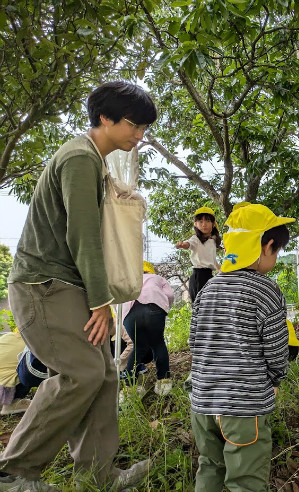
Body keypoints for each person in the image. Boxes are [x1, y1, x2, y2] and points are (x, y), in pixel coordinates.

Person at [0, 81, 156, 491]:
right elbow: (82, 236)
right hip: (43, 286)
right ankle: (14, 470)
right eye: (132, 124)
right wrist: (101, 302)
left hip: (64, 285)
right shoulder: (78, 158)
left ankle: (99, 476)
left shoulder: (93, 159)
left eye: (144, 128)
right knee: (82, 374)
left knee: (103, 373)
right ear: (104, 118)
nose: (139, 135)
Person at [189, 202, 293, 492]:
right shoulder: (267, 291)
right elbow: (276, 348)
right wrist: (276, 379)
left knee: (209, 466)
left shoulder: (209, 288)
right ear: (267, 246)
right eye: (277, 251)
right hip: (244, 408)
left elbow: (194, 343)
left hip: (203, 405)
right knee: (245, 480)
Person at [120, 261, 175, 400]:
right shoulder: (157, 278)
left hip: (130, 314)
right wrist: (165, 308)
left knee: (138, 347)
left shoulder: (128, 281)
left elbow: (117, 303)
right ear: (150, 271)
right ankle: (163, 382)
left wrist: (123, 318)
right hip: (154, 308)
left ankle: (130, 388)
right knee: (158, 343)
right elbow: (169, 295)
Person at [175, 206, 221, 303]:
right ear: (195, 224)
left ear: (213, 224)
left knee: (209, 304)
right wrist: (182, 245)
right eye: (200, 221)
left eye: (207, 221)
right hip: (198, 276)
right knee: (199, 305)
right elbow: (189, 244)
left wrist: (220, 269)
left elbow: (212, 259)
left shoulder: (213, 240)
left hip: (209, 275)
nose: (204, 224)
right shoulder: (195, 239)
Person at [0, 332, 47, 416]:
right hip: (6, 390)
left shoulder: (8, 336)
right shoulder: (31, 342)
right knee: (28, 365)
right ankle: (11, 404)